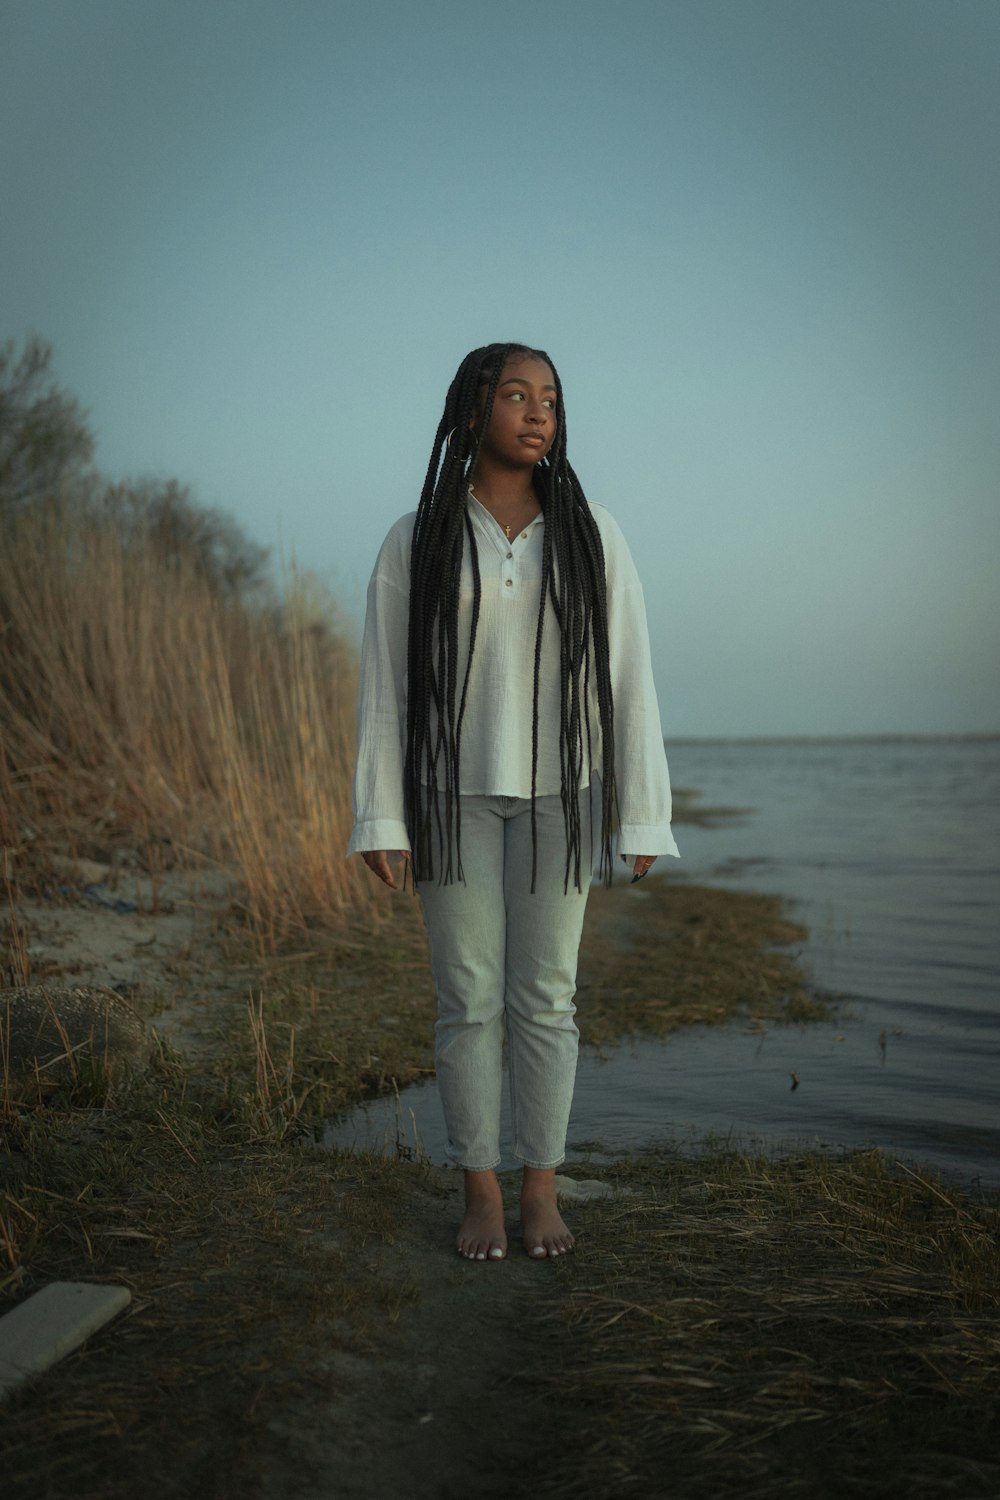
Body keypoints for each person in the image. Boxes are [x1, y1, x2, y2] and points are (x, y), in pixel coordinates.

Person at [347, 342, 679, 1262]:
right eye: (516, 395)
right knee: (469, 998)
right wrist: (380, 815)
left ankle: (542, 1185)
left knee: (548, 998)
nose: (538, 413)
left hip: (561, 798)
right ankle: (480, 1187)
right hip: (450, 799)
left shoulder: (591, 531)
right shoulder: (416, 537)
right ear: (472, 410)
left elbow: (629, 675)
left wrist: (642, 810)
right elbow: (387, 687)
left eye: (551, 400)